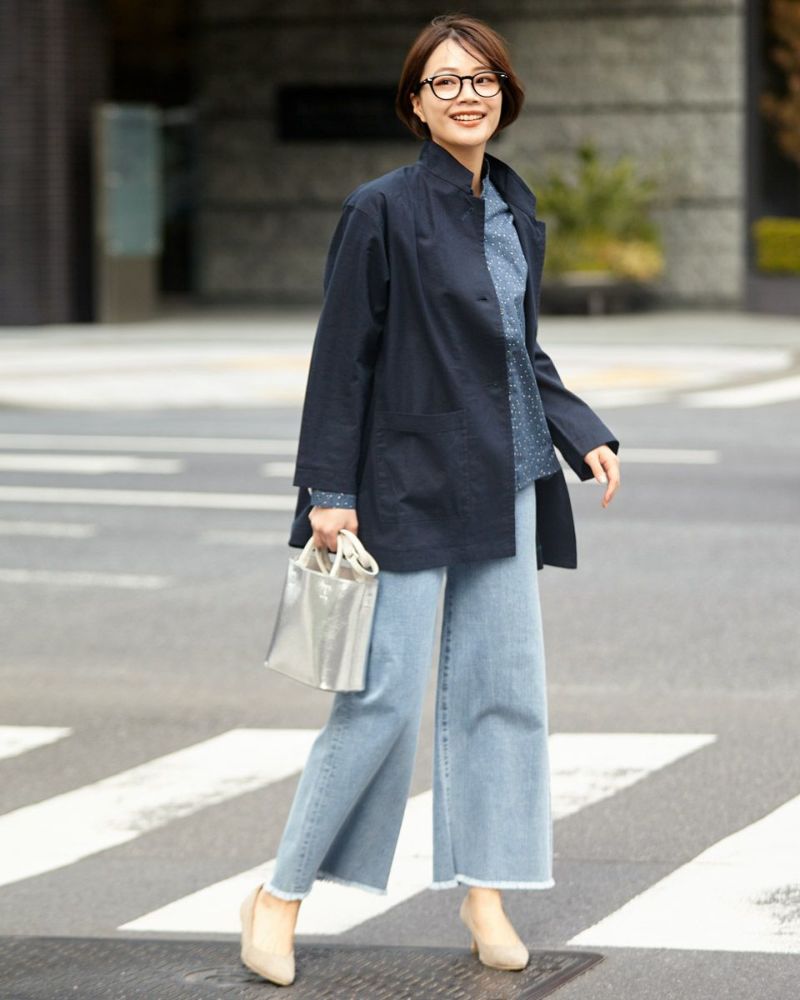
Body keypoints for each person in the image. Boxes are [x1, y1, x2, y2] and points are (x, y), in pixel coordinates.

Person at [240, 13, 621, 988]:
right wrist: (329, 492)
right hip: (404, 483)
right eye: (445, 81)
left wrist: (579, 430)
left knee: (501, 695)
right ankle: (278, 896)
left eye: (482, 79)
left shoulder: (513, 209)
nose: (466, 95)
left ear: (505, 94)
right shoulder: (380, 209)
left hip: (508, 479)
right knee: (376, 701)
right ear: (415, 103)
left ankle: (484, 892)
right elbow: (342, 357)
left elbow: (517, 350)